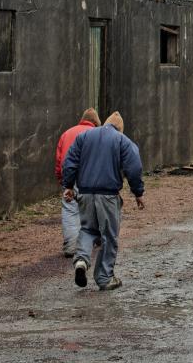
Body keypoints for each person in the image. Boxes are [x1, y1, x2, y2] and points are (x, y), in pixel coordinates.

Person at [62, 111, 144, 291]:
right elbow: (134, 165)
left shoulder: (84, 136)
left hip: (84, 192)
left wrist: (68, 185)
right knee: (109, 236)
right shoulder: (121, 140)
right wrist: (138, 192)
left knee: (87, 229)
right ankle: (104, 277)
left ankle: (82, 261)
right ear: (120, 128)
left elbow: (70, 160)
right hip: (107, 195)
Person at [54, 108, 101, 257]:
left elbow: (59, 160)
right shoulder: (96, 135)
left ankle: (71, 247)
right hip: (89, 178)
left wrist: (63, 180)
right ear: (95, 122)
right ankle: (93, 239)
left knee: (70, 210)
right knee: (92, 208)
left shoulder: (66, 133)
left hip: (70, 177)